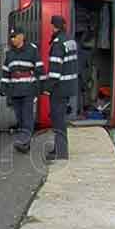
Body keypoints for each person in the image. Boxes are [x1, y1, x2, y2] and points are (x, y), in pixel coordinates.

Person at [0, 27, 44, 153]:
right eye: (11, 37)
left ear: (22, 36)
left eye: (14, 36)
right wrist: (3, 89)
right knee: (20, 118)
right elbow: (6, 73)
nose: (12, 39)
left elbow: (40, 70)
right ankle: (25, 142)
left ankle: (24, 142)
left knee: (27, 117)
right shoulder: (10, 54)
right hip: (15, 91)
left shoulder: (32, 50)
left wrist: (38, 88)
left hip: (28, 90)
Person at [43, 15, 78, 161]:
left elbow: (55, 72)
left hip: (59, 88)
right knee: (60, 118)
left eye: (52, 26)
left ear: (54, 26)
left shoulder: (58, 44)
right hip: (69, 86)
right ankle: (59, 148)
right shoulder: (71, 41)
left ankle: (61, 153)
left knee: (58, 120)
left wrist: (47, 88)